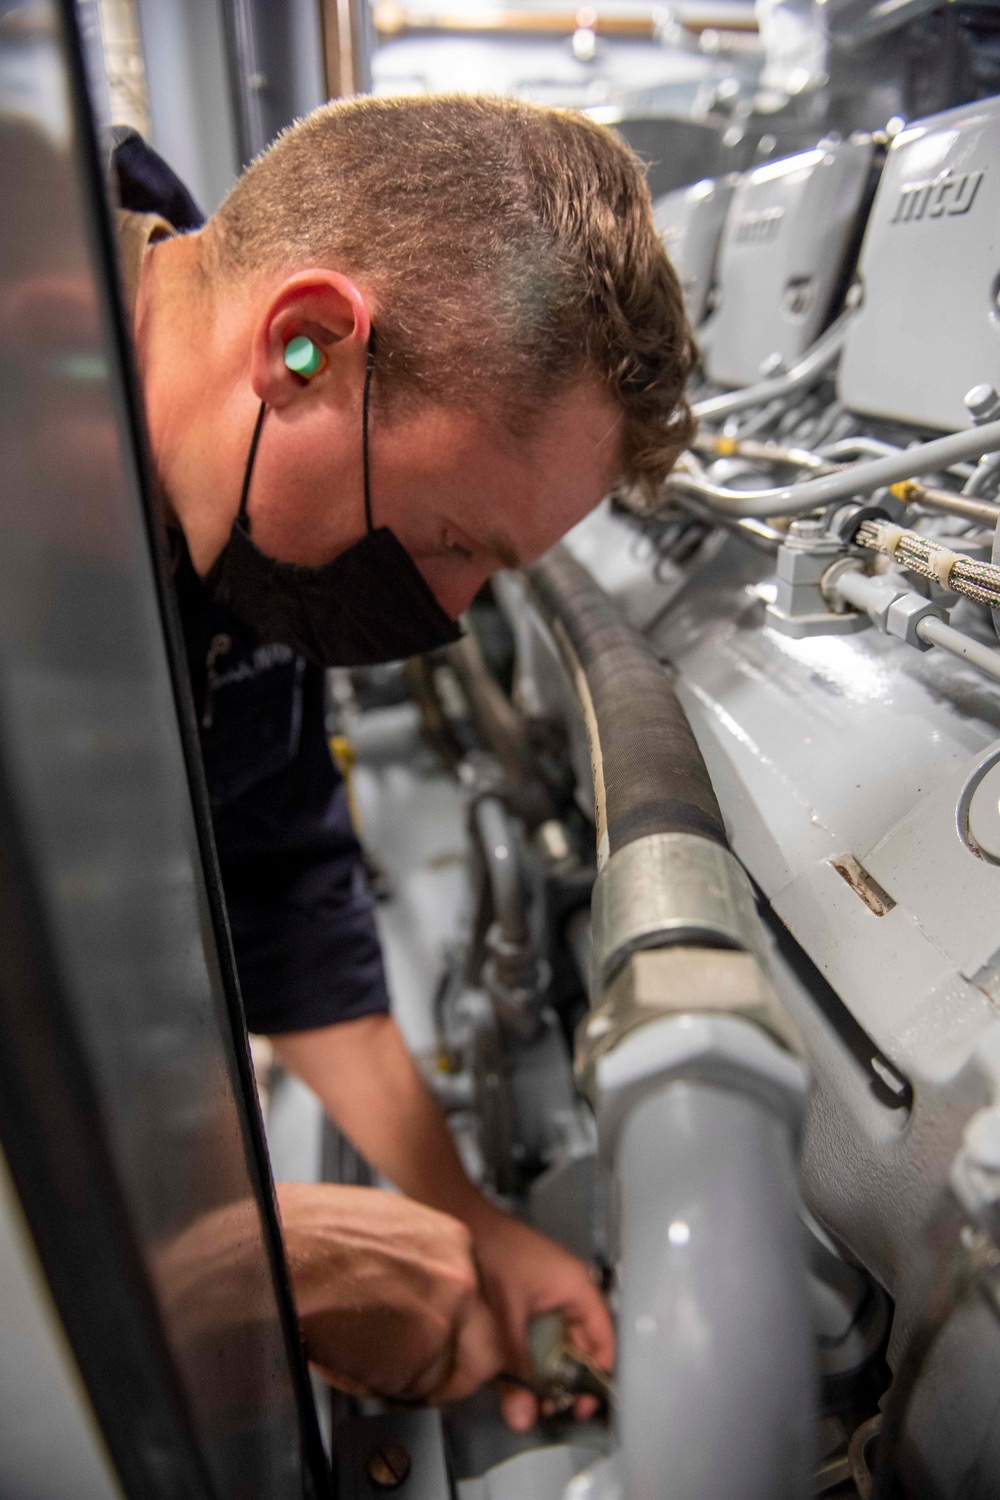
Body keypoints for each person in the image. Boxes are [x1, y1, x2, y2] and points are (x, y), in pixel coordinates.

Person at [112, 94, 695, 1419]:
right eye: (453, 541)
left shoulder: (234, 535)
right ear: (304, 347)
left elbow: (281, 880)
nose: (446, 615)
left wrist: (462, 1212)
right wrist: (233, 1262)